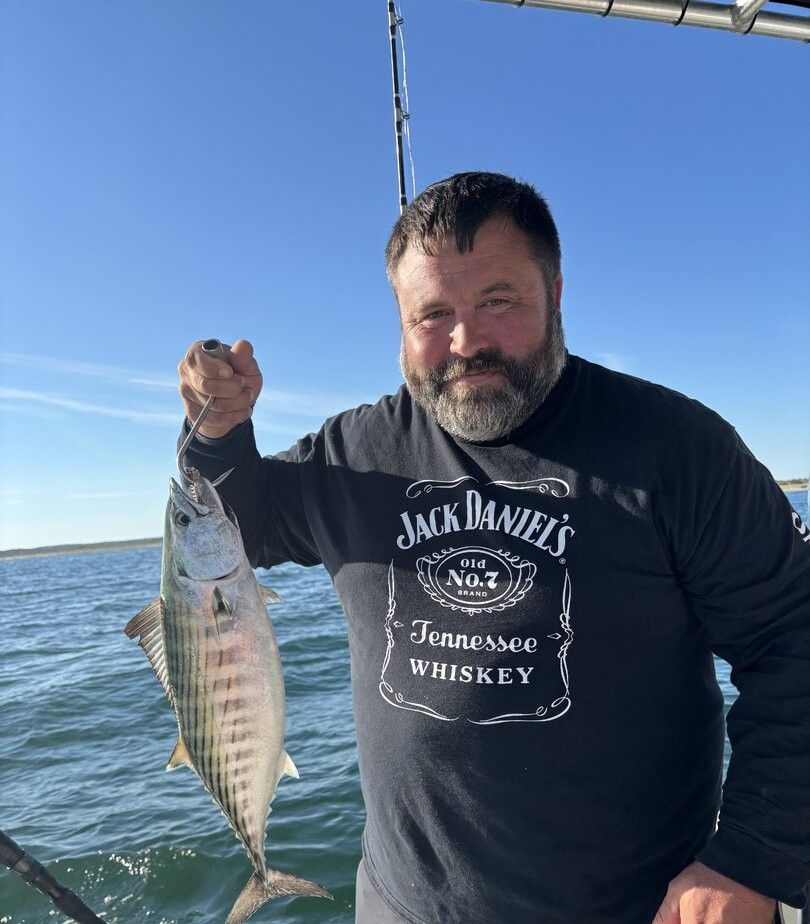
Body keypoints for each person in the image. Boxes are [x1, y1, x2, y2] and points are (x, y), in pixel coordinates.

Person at [176, 172, 810, 924]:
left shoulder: (678, 449)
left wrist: (750, 860)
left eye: (498, 302)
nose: (465, 341)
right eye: (432, 313)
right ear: (401, 323)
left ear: (557, 293)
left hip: (645, 909)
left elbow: (791, 641)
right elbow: (235, 524)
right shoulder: (353, 453)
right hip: (400, 907)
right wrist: (217, 431)